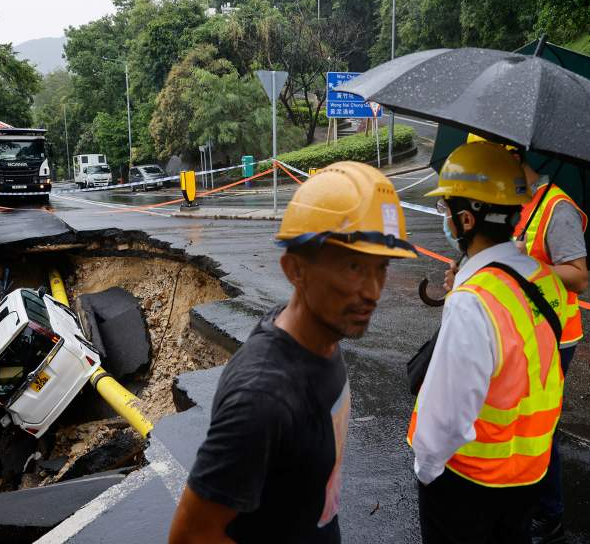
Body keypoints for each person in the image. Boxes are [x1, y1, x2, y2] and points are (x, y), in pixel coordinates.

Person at [169, 161, 417, 544]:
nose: (372, 291)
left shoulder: (323, 335)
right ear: (294, 270)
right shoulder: (262, 399)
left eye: (381, 268)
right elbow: (192, 535)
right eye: (353, 266)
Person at [409, 139, 569, 544]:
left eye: (446, 209)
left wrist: (427, 471)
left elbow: (444, 419)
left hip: (467, 484)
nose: (444, 217)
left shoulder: (473, 301)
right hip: (527, 473)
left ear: (466, 220)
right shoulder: (542, 279)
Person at [511, 149, 588, 544]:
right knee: (518, 420)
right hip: (522, 331)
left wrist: (529, 263)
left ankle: (550, 514)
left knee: (541, 426)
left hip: (556, 337)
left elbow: (578, 275)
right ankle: (524, 498)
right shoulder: (518, 203)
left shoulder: (558, 209)